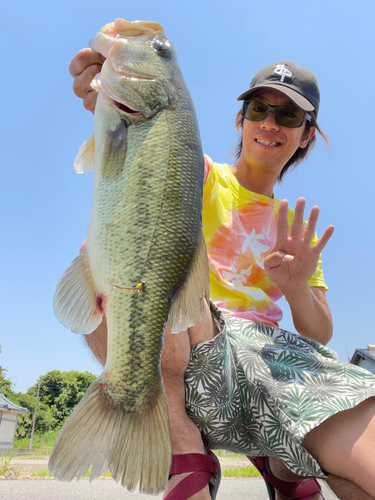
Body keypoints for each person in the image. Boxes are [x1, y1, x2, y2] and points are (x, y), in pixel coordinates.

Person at [69, 44, 375, 500]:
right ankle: (183, 446)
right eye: (259, 108)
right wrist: (116, 102)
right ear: (241, 120)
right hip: (199, 344)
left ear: (306, 135)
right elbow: (152, 145)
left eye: (289, 116)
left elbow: (319, 332)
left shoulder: (298, 235)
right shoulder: (200, 173)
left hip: (278, 363)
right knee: (107, 257)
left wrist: (296, 290)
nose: (270, 123)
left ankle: (283, 461)